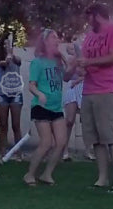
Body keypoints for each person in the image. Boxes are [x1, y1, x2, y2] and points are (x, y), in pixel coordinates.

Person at [78, 3, 113, 193]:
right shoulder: (89, 37)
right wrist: (80, 66)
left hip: (109, 90)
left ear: (98, 15)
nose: (87, 21)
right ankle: (102, 179)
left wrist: (88, 62)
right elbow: (84, 59)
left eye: (89, 16)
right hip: (89, 91)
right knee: (97, 139)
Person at [23, 29, 67, 186]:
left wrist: (64, 58)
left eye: (57, 37)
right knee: (46, 142)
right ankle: (29, 174)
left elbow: (67, 77)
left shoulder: (57, 62)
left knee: (61, 142)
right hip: (41, 106)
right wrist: (39, 94)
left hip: (56, 107)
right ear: (45, 42)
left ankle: (47, 174)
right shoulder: (37, 62)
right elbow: (31, 86)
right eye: (53, 37)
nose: (57, 40)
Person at [62, 43, 95, 161]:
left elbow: (87, 73)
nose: (72, 50)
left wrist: (80, 79)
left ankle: (88, 150)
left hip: (84, 88)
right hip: (71, 89)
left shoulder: (86, 58)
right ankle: (64, 151)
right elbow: (66, 75)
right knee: (69, 121)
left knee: (86, 121)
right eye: (70, 48)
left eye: (73, 47)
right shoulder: (70, 60)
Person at [0, 32, 23, 160]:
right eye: (5, 43)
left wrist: (12, 54)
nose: (7, 45)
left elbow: (18, 61)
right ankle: (3, 152)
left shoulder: (16, 58)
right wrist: (7, 58)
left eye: (9, 43)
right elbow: (3, 64)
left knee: (16, 125)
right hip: (2, 94)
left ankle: (18, 153)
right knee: (3, 124)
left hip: (16, 94)